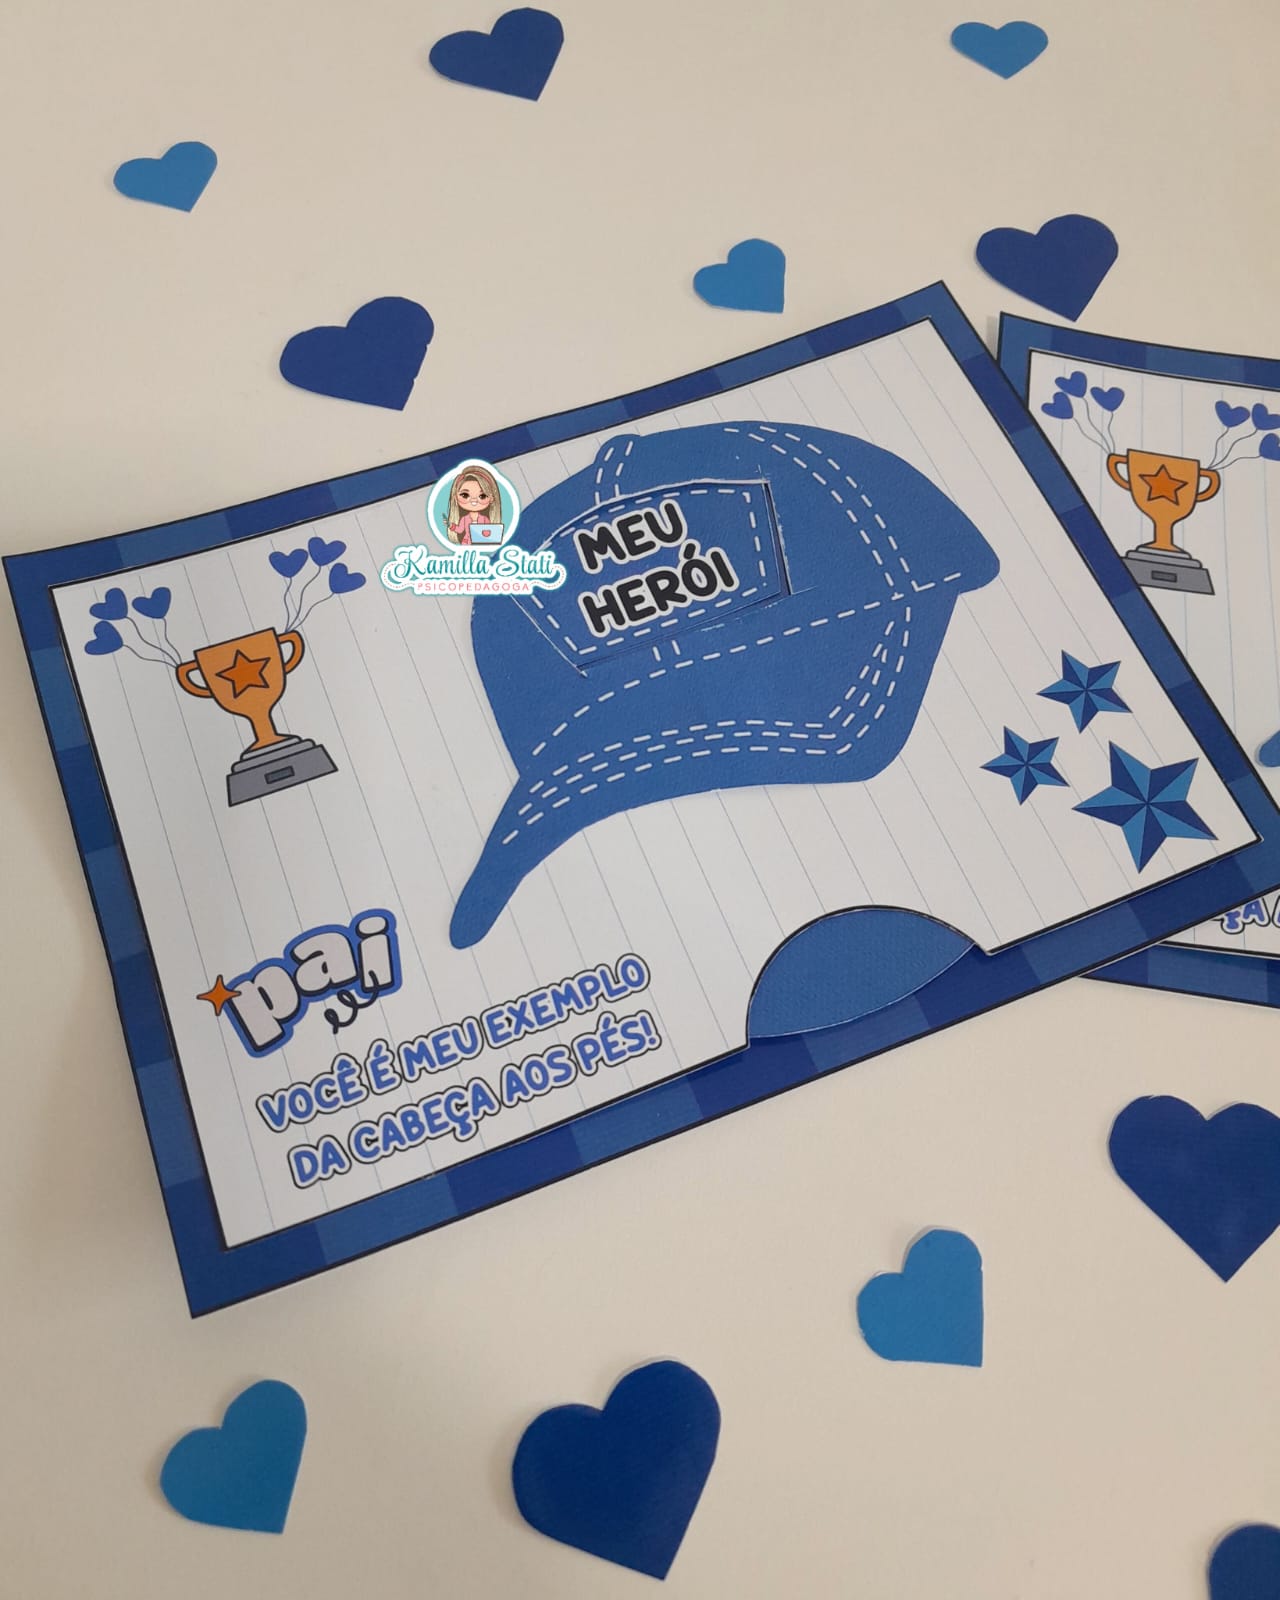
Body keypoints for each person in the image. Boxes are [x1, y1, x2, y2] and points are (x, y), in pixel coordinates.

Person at [445, 465, 503, 545]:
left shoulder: (484, 519)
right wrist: (451, 525)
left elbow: (489, 532)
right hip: (466, 543)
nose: (474, 501)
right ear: (455, 497)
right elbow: (460, 529)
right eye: (465, 495)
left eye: (482, 496)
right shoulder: (464, 519)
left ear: (491, 498)